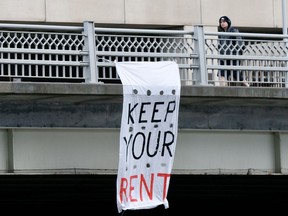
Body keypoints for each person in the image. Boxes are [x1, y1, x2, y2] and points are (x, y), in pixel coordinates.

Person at [218, 16, 249, 87]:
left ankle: (247, 86)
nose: (222, 23)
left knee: (237, 75)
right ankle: (221, 89)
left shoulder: (234, 31)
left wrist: (237, 54)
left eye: (224, 21)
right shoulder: (221, 34)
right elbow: (220, 45)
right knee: (222, 73)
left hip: (233, 56)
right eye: (221, 22)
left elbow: (239, 44)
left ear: (228, 22)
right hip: (223, 57)